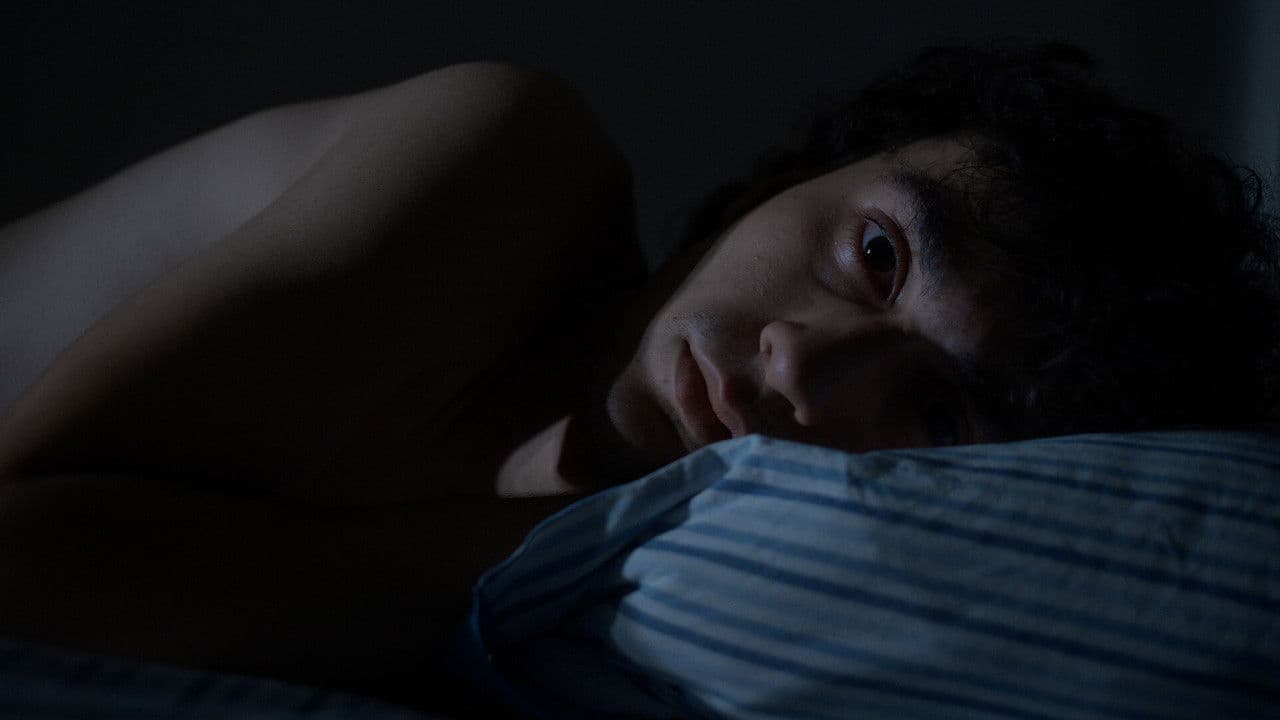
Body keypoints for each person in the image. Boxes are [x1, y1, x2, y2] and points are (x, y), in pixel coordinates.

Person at [0, 42, 1275, 708]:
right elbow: (28, 561)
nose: (802, 361)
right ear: (797, 176)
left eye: (933, 413)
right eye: (876, 255)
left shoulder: (622, 653)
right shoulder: (508, 161)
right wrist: (585, 528)